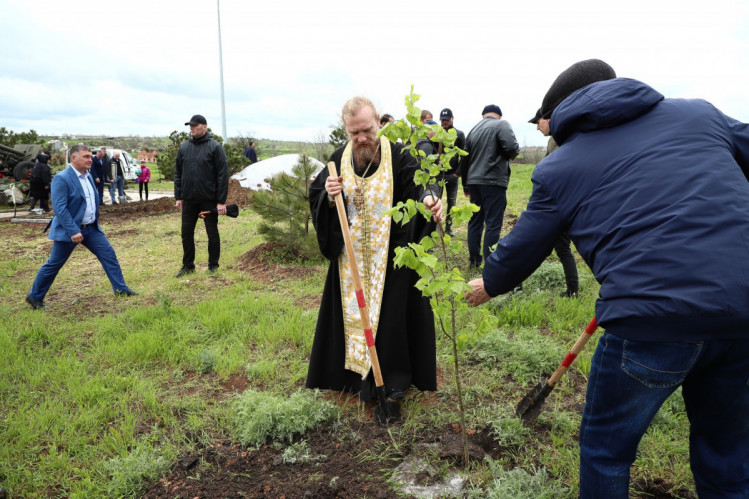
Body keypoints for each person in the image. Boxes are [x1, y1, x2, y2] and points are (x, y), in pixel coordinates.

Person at [465, 59, 749, 498]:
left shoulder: (561, 168)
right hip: (743, 308)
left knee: (606, 450)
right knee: (727, 449)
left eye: (545, 126)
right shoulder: (700, 113)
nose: (547, 136)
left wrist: (488, 282)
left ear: (562, 112)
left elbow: (522, 248)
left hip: (652, 319)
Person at [306, 96, 443, 402]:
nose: (362, 138)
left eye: (367, 129)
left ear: (379, 122)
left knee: (392, 319)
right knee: (350, 315)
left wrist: (429, 198)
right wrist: (328, 197)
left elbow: (422, 182)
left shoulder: (398, 154)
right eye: (354, 134)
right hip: (350, 259)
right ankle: (351, 377)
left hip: (391, 256)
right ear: (347, 131)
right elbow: (317, 192)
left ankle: (393, 380)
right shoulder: (339, 158)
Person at [25, 144, 138, 310]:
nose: (89, 159)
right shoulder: (62, 178)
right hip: (70, 230)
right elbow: (60, 209)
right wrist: (73, 231)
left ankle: (120, 289)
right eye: (85, 156)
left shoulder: (88, 176)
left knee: (109, 255)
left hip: (91, 229)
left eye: (90, 156)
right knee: (54, 264)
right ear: (73, 158)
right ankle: (34, 297)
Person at [529, 108, 579, 297]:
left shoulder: (560, 138)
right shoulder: (556, 138)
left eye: (538, 122)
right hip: (561, 200)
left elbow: (556, 171)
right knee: (561, 246)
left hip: (559, 202)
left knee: (546, 244)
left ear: (548, 119)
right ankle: (573, 290)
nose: (537, 127)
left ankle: (515, 284)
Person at [462, 104, 520, 268]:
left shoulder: (473, 130)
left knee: (475, 221)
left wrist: (466, 185)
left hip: (474, 182)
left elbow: (465, 159)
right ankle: (491, 263)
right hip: (493, 181)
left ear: (483, 115)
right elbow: (512, 147)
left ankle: (474, 261)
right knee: (493, 223)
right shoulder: (502, 124)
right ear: (499, 115)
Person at [174, 114, 229, 277]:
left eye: (194, 126)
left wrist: (220, 201)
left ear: (204, 127)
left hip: (209, 200)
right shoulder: (184, 147)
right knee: (186, 233)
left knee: (212, 233)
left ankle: (213, 266)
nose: (191, 128)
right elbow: (178, 172)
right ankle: (188, 266)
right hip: (189, 199)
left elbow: (222, 175)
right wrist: (179, 196)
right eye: (190, 126)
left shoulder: (215, 147)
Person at [439, 108, 466, 237]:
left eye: (447, 119)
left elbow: (464, 155)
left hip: (452, 174)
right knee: (435, 201)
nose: (445, 122)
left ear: (452, 118)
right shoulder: (437, 134)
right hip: (438, 174)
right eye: (442, 120)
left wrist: (457, 173)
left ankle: (448, 228)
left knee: (451, 202)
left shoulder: (459, 135)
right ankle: (435, 229)